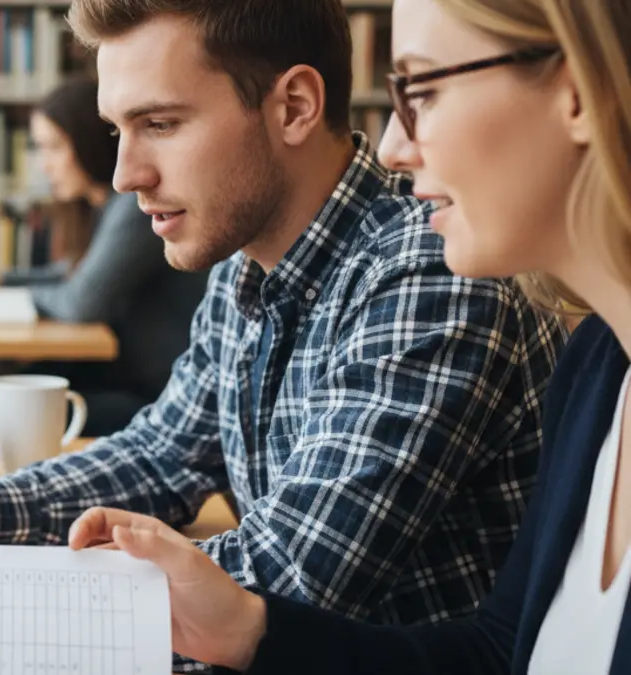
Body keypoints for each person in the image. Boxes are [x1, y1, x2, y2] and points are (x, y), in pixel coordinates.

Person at [0, 0, 568, 655]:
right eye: (118, 130)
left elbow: (282, 587)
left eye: (160, 123)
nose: (124, 174)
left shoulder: (430, 270)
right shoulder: (244, 267)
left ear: (294, 107)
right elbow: (163, 456)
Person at [65, 0, 631, 672]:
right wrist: (249, 630)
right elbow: (501, 649)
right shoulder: (599, 367)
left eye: (422, 88)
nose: (393, 142)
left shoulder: (430, 273)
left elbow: (297, 572)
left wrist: (34, 605)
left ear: (576, 91)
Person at [0, 77, 210, 436]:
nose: (43, 165)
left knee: (18, 405)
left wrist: (12, 295)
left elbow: (81, 300)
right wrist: (0, 280)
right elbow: (72, 272)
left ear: (88, 142)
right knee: (10, 391)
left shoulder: (135, 209)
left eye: (52, 148)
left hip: (159, 394)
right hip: (129, 373)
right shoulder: (104, 208)